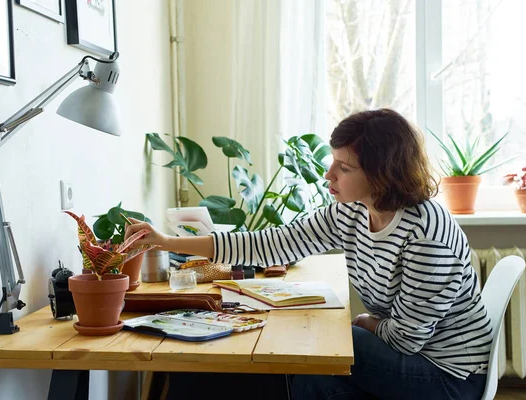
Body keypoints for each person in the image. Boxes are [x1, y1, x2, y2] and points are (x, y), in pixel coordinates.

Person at [126, 109, 491, 400]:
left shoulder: (426, 235)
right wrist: (165, 242)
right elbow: (270, 242)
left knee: (325, 340)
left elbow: (406, 340)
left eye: (344, 168)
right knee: (300, 368)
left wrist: (365, 322)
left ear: (384, 174)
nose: (328, 174)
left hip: (443, 375)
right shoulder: (353, 210)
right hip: (405, 354)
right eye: (334, 161)